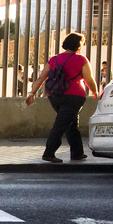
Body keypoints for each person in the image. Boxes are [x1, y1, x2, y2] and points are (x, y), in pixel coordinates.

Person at [26, 31, 98, 163]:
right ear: (78, 45)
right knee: (61, 124)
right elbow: (89, 78)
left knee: (70, 122)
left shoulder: (54, 59)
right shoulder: (81, 59)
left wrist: (32, 93)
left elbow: (42, 77)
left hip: (54, 96)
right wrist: (95, 92)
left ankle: (77, 152)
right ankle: (49, 152)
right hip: (74, 96)